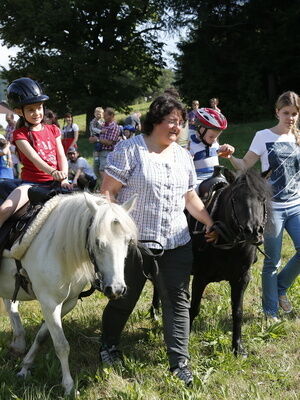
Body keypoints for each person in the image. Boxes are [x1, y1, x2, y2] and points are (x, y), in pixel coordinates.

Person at [99, 95, 216, 386]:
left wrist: (211, 222)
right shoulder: (130, 150)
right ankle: (108, 345)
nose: (177, 127)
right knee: (124, 300)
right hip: (133, 245)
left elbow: (189, 197)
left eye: (181, 122)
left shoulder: (183, 156)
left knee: (177, 302)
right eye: (171, 121)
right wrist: (113, 227)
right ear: (155, 121)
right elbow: (108, 192)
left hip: (176, 241)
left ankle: (180, 364)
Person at [229, 91, 300, 321]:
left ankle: (279, 288)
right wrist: (229, 155)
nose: (290, 118)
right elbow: (244, 165)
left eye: (294, 114)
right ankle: (271, 312)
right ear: (277, 112)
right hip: (272, 208)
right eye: (286, 113)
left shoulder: (297, 138)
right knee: (272, 260)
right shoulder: (263, 136)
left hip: (296, 205)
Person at [0, 77, 71, 228]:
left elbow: (61, 155)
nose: (37, 112)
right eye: (31, 109)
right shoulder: (20, 134)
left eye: (39, 107)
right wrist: (53, 171)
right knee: (3, 210)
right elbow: (34, 158)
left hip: (56, 182)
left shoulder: (54, 130)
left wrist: (63, 177)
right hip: (31, 185)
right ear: (19, 111)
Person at [189, 108, 235, 185]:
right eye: (211, 137)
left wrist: (226, 149)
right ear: (200, 129)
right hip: (199, 181)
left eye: (216, 137)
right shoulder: (192, 146)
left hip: (216, 177)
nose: (214, 140)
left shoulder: (213, 143)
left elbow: (217, 151)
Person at [92, 107, 120, 181]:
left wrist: (97, 139)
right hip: (98, 152)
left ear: (111, 116)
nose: (103, 116)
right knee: (96, 170)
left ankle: (106, 190)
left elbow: (110, 142)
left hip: (107, 152)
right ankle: (101, 187)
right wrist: (93, 138)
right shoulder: (103, 125)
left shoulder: (114, 127)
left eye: (106, 115)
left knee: (103, 170)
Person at [89, 107, 104, 179]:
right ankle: (97, 157)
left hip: (101, 136)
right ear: (94, 114)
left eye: (100, 114)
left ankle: (99, 154)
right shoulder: (93, 121)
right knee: (97, 145)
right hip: (95, 134)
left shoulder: (102, 121)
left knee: (100, 144)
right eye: (97, 114)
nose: (98, 115)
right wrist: (101, 131)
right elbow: (93, 128)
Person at [5, 112, 20, 178]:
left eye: (8, 120)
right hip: (8, 145)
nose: (7, 121)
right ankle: (12, 177)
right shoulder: (8, 126)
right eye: (7, 120)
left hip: (15, 146)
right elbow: (7, 136)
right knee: (10, 163)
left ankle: (16, 177)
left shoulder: (17, 126)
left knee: (15, 163)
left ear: (12, 118)